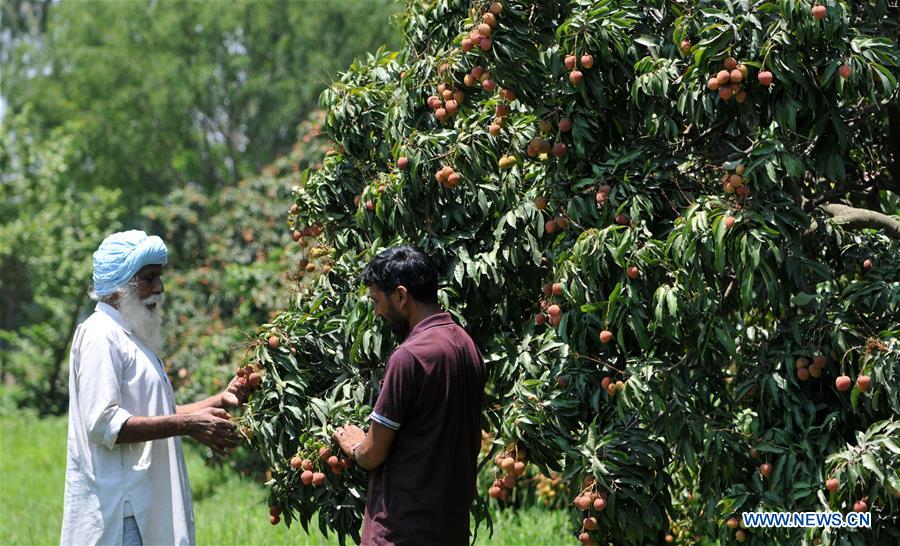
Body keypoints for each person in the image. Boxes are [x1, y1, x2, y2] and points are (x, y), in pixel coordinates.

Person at [60, 230, 251, 546]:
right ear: (121, 285)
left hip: (142, 503)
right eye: (149, 278)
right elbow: (105, 425)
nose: (160, 288)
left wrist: (217, 400)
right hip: (122, 512)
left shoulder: (130, 337)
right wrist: (186, 425)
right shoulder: (100, 335)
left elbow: (152, 414)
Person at [333, 246, 486, 546]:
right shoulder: (467, 345)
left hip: (401, 531)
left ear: (401, 296)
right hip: (450, 529)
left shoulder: (410, 356)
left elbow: (373, 453)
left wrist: (354, 446)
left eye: (377, 300)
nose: (376, 312)